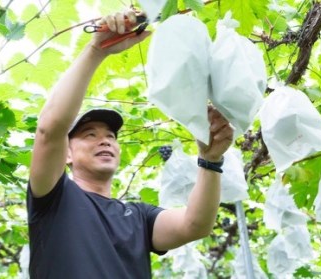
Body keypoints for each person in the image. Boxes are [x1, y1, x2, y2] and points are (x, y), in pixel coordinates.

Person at [27, 9, 234, 279]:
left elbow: (194, 225)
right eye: (90, 134)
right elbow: (49, 128)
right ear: (67, 154)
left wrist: (210, 161)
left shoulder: (138, 216)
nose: (104, 140)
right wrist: (96, 50)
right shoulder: (54, 198)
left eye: (111, 136)